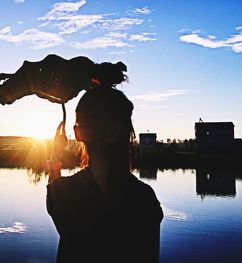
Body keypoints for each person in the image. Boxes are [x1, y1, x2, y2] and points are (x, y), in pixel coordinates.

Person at [46, 61, 164, 263]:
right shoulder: (145, 199)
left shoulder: (65, 194)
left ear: (78, 133)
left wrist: (56, 155)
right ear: (127, 131)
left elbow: (54, 188)